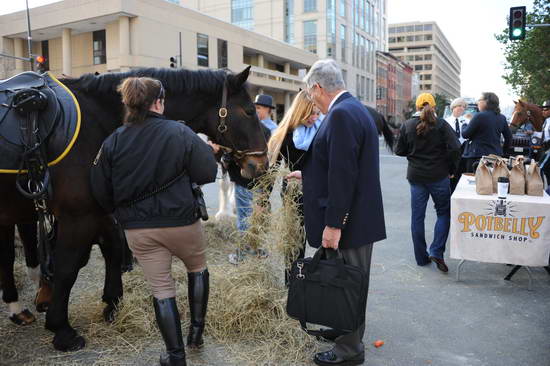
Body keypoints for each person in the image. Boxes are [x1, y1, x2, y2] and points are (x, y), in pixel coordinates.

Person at [90, 77, 218, 366]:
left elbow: (98, 187)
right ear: (158, 102)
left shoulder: (113, 140)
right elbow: (207, 173)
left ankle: (175, 355)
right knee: (197, 269)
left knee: (161, 289)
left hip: (139, 230)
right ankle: (196, 334)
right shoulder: (180, 132)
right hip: (183, 223)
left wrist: (120, 211)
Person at [287, 59, 386, 366]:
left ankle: (349, 350)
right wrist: (309, 175)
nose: (310, 98)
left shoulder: (341, 114)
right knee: (348, 282)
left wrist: (334, 224)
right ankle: (345, 333)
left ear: (318, 87)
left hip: (350, 221)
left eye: (309, 92)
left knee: (347, 284)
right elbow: (340, 163)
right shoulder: (354, 109)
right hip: (357, 217)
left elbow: (344, 175)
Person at [395, 93, 461, 273]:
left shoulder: (407, 125)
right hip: (439, 176)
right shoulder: (441, 125)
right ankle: (437, 250)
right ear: (434, 107)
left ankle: (421, 257)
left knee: (417, 217)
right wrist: (450, 169)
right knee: (443, 213)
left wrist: (413, 153)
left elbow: (399, 150)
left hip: (416, 177)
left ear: (416, 107)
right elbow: (455, 147)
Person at [267, 90, 322, 285]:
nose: (314, 118)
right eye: (310, 114)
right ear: (299, 111)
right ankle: (293, 280)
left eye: (317, 112)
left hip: (319, 188)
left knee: (320, 235)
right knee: (295, 238)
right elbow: (272, 168)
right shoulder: (287, 133)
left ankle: (321, 277)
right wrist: (262, 198)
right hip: (293, 190)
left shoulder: (321, 129)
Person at [225, 94, 277, 264]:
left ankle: (245, 253)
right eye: (255, 107)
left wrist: (266, 192)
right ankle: (255, 251)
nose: (256, 110)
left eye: (259, 108)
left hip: (252, 181)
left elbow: (272, 163)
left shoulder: (268, 131)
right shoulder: (266, 130)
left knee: (247, 218)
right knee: (250, 218)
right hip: (250, 181)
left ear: (268, 110)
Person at [461, 92, 512, 173]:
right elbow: (509, 138)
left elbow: (465, 134)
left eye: (479, 100)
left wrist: (465, 123)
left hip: (477, 157)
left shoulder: (479, 116)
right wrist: (503, 153)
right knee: (492, 183)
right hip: (496, 157)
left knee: (475, 183)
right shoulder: (502, 117)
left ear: (486, 102)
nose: (477, 102)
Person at [445, 97, 469, 192]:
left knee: (461, 178)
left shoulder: (467, 122)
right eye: (459, 106)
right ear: (453, 107)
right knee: (450, 179)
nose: (461, 108)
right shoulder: (446, 121)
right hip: (450, 153)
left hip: (463, 153)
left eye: (463, 107)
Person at [539, 100, 550, 184]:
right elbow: (544, 135)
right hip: (545, 148)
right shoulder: (546, 121)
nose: (543, 111)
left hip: (549, 149)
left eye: (545, 109)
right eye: (542, 109)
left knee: (541, 167)